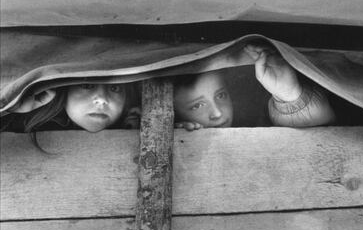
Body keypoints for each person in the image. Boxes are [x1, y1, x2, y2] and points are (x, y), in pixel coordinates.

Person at [173, 44, 336, 130]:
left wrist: (289, 95)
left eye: (221, 95)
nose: (217, 113)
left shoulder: (258, 123)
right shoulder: (178, 130)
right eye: (197, 106)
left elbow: (320, 131)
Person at [1, 83, 141, 139]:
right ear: (65, 91)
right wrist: (9, 108)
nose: (102, 99)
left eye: (115, 88)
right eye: (87, 85)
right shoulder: (24, 121)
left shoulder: (132, 122)